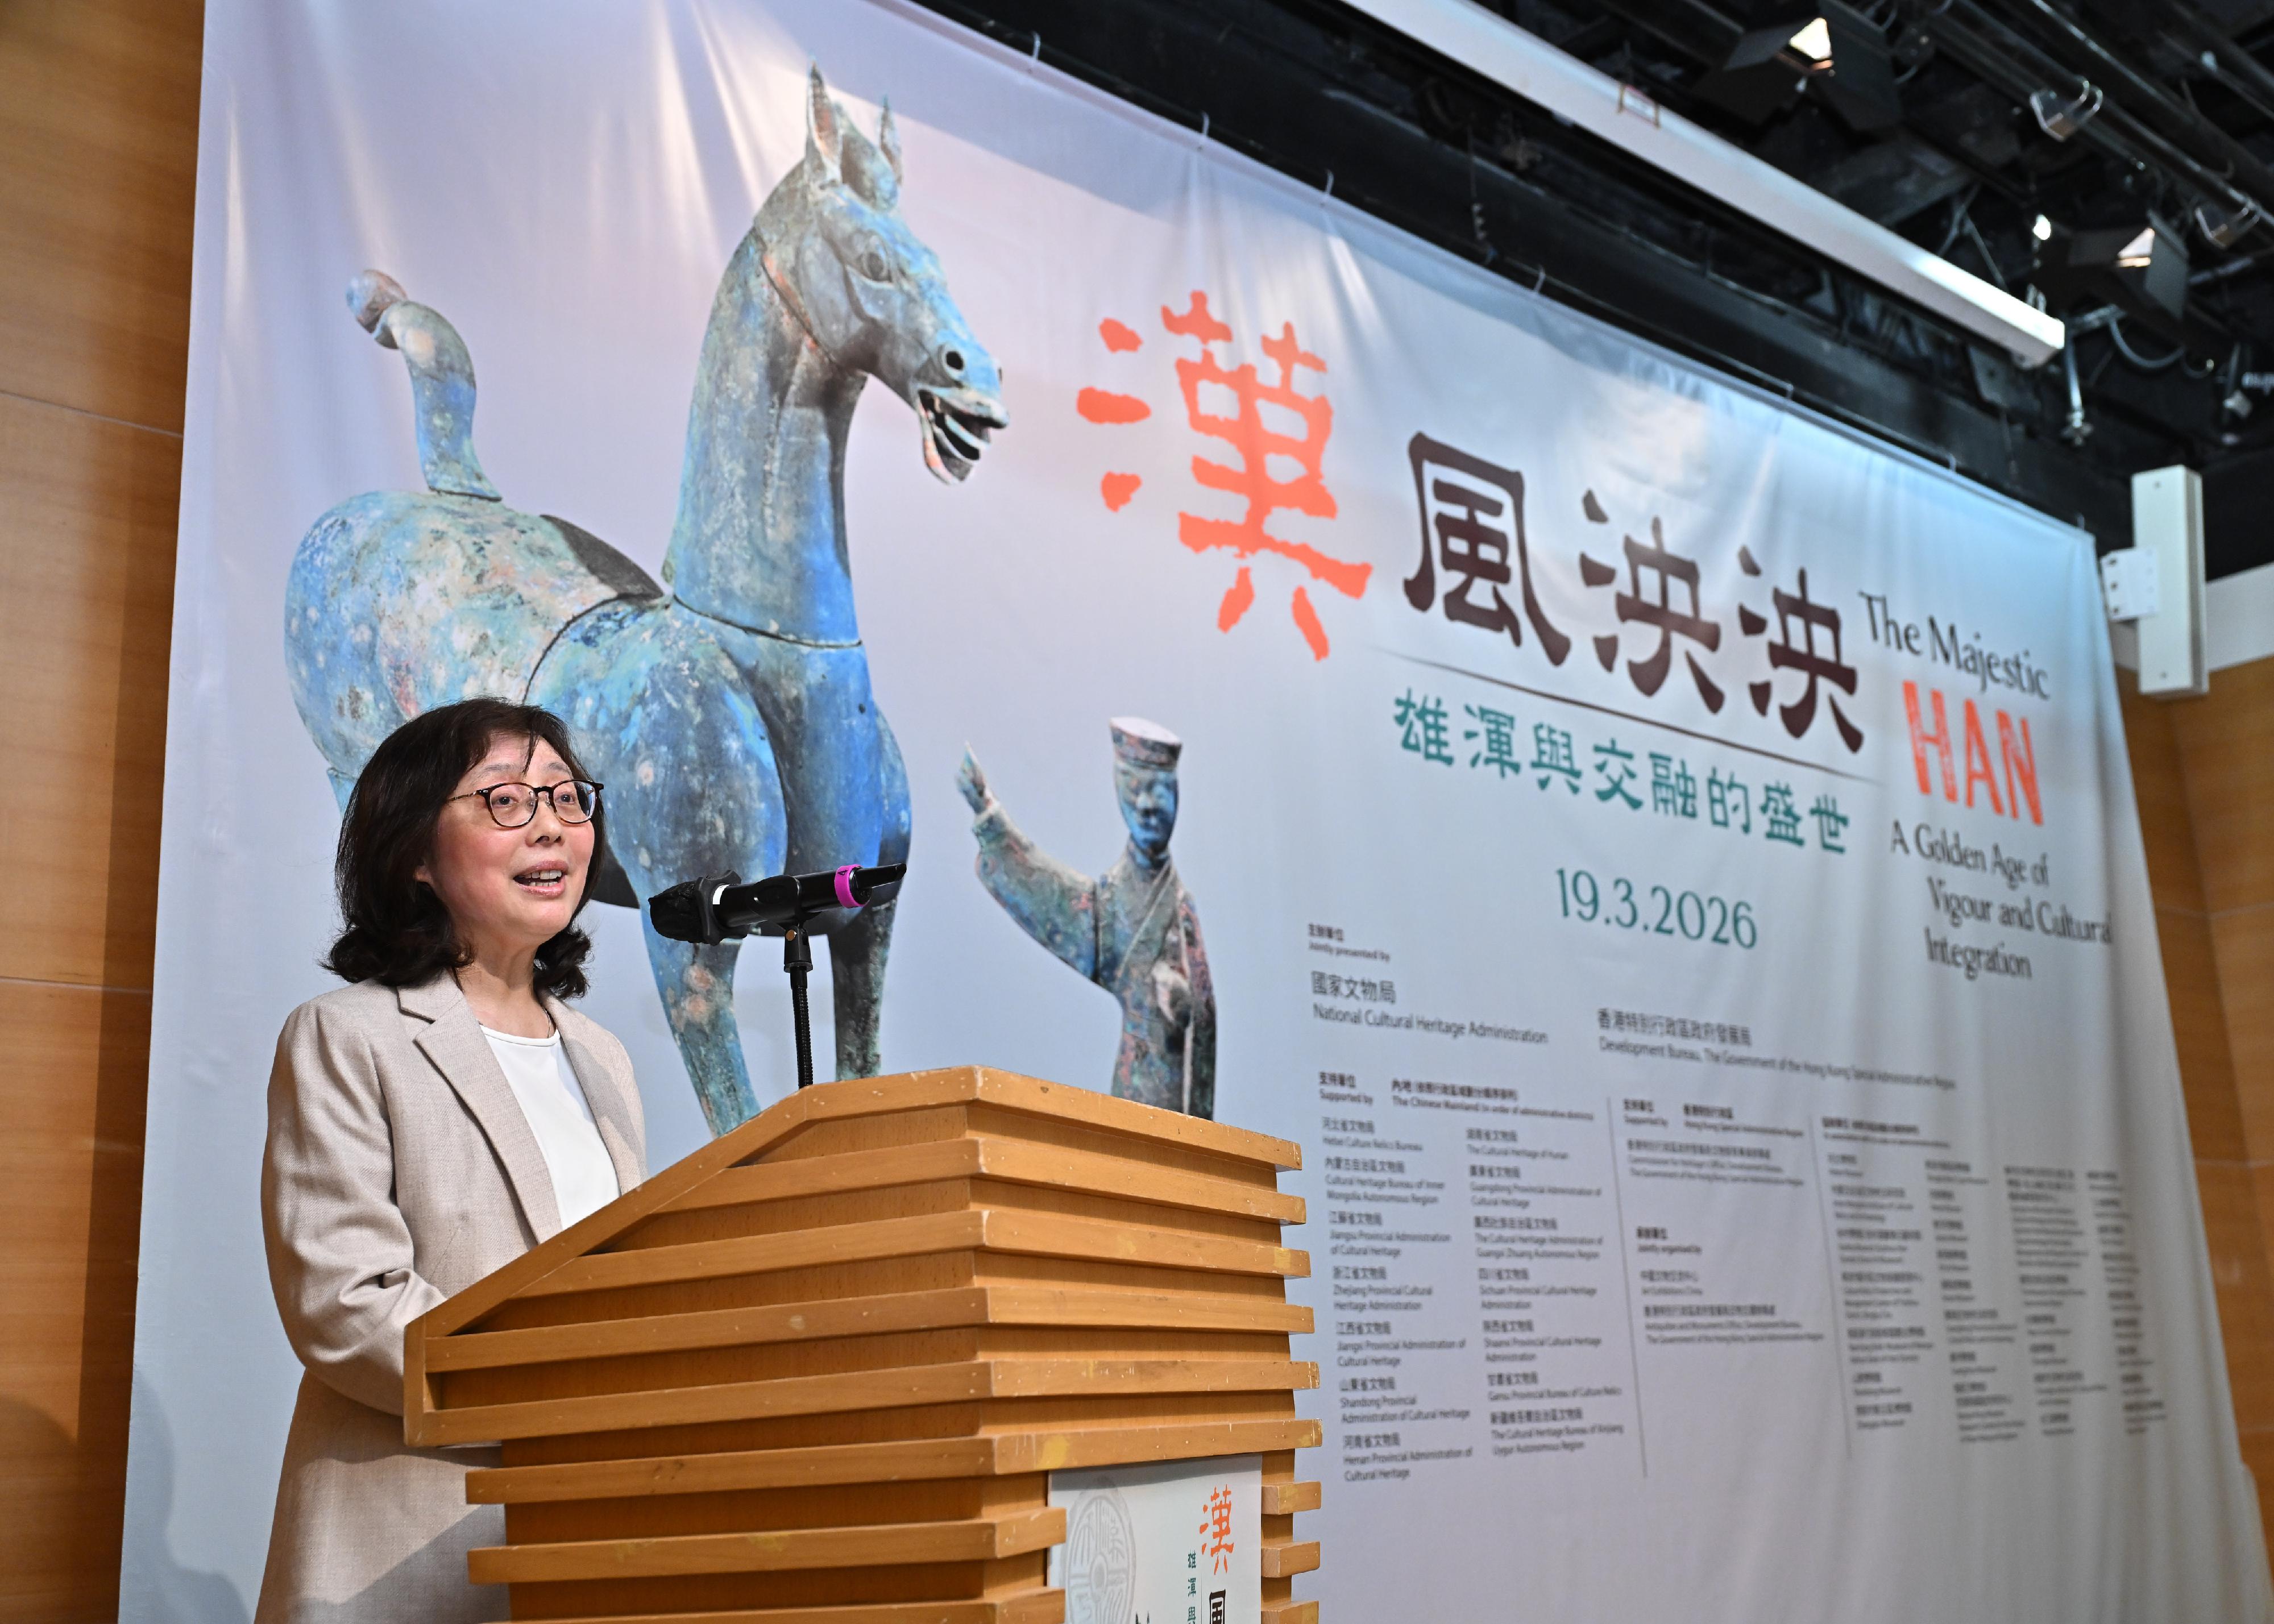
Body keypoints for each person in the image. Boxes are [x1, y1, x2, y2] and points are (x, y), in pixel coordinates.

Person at [255, 699, 646, 1623]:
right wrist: (561, 1385)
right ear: (417, 853)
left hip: (585, 1539)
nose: (551, 822)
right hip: (405, 1541)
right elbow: (347, 1303)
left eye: (566, 796)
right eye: (507, 800)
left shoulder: (604, 1057)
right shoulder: (349, 1037)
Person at [956, 716, 1215, 1118]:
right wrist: (991, 818)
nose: (1147, 807)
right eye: (1135, 791)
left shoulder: (1181, 905)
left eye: (1158, 792)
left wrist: (1187, 1007)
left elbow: (1204, 1030)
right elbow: (1052, 896)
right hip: (1139, 1101)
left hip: (1190, 1118)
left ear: (1177, 798)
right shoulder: (1113, 906)